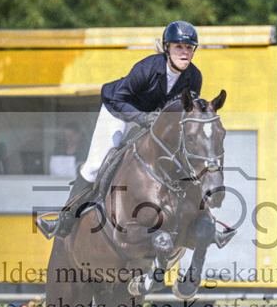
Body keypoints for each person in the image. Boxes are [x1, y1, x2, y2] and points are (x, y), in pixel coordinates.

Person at [37, 20, 203, 239]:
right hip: (119, 111)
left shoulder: (194, 77)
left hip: (152, 120)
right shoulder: (147, 68)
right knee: (96, 165)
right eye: (178, 47)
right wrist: (142, 118)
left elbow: (185, 114)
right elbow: (118, 98)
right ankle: (64, 221)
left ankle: (200, 219)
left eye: (189, 48)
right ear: (167, 48)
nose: (184, 52)